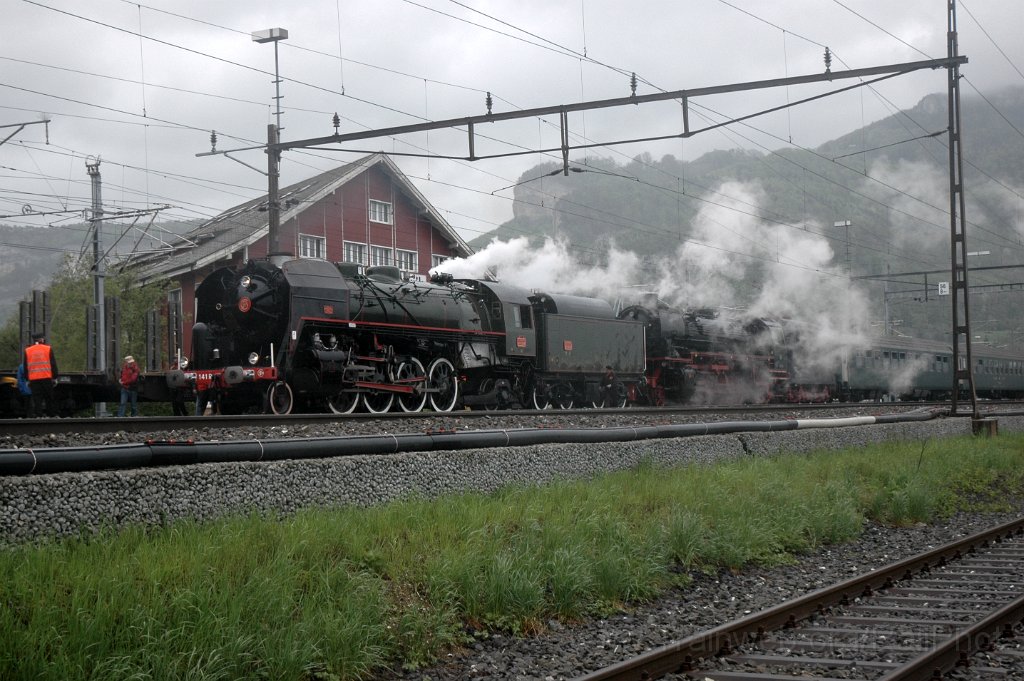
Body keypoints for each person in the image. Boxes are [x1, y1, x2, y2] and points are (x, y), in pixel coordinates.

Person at [23, 332, 58, 417]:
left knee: (37, 399)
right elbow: (53, 364)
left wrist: (27, 379)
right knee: (49, 398)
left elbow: (25, 366)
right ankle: (51, 415)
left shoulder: (28, 350)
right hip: (46, 377)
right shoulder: (48, 349)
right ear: (41, 339)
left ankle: (39, 416)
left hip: (34, 379)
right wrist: (55, 377)